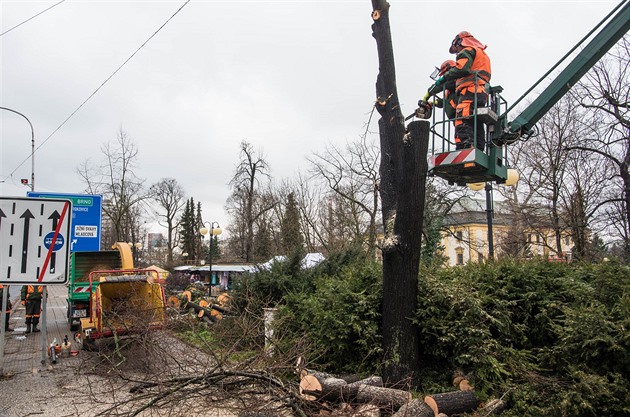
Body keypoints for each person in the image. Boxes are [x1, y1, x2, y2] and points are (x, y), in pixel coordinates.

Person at [433, 31, 491, 150]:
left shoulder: (467, 51)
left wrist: (444, 78)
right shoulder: (481, 54)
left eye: (457, 48)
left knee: (461, 118)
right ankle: (478, 148)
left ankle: (465, 146)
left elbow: (461, 69)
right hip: (480, 92)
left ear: (460, 41)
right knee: (476, 120)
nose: (458, 51)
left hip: (470, 90)